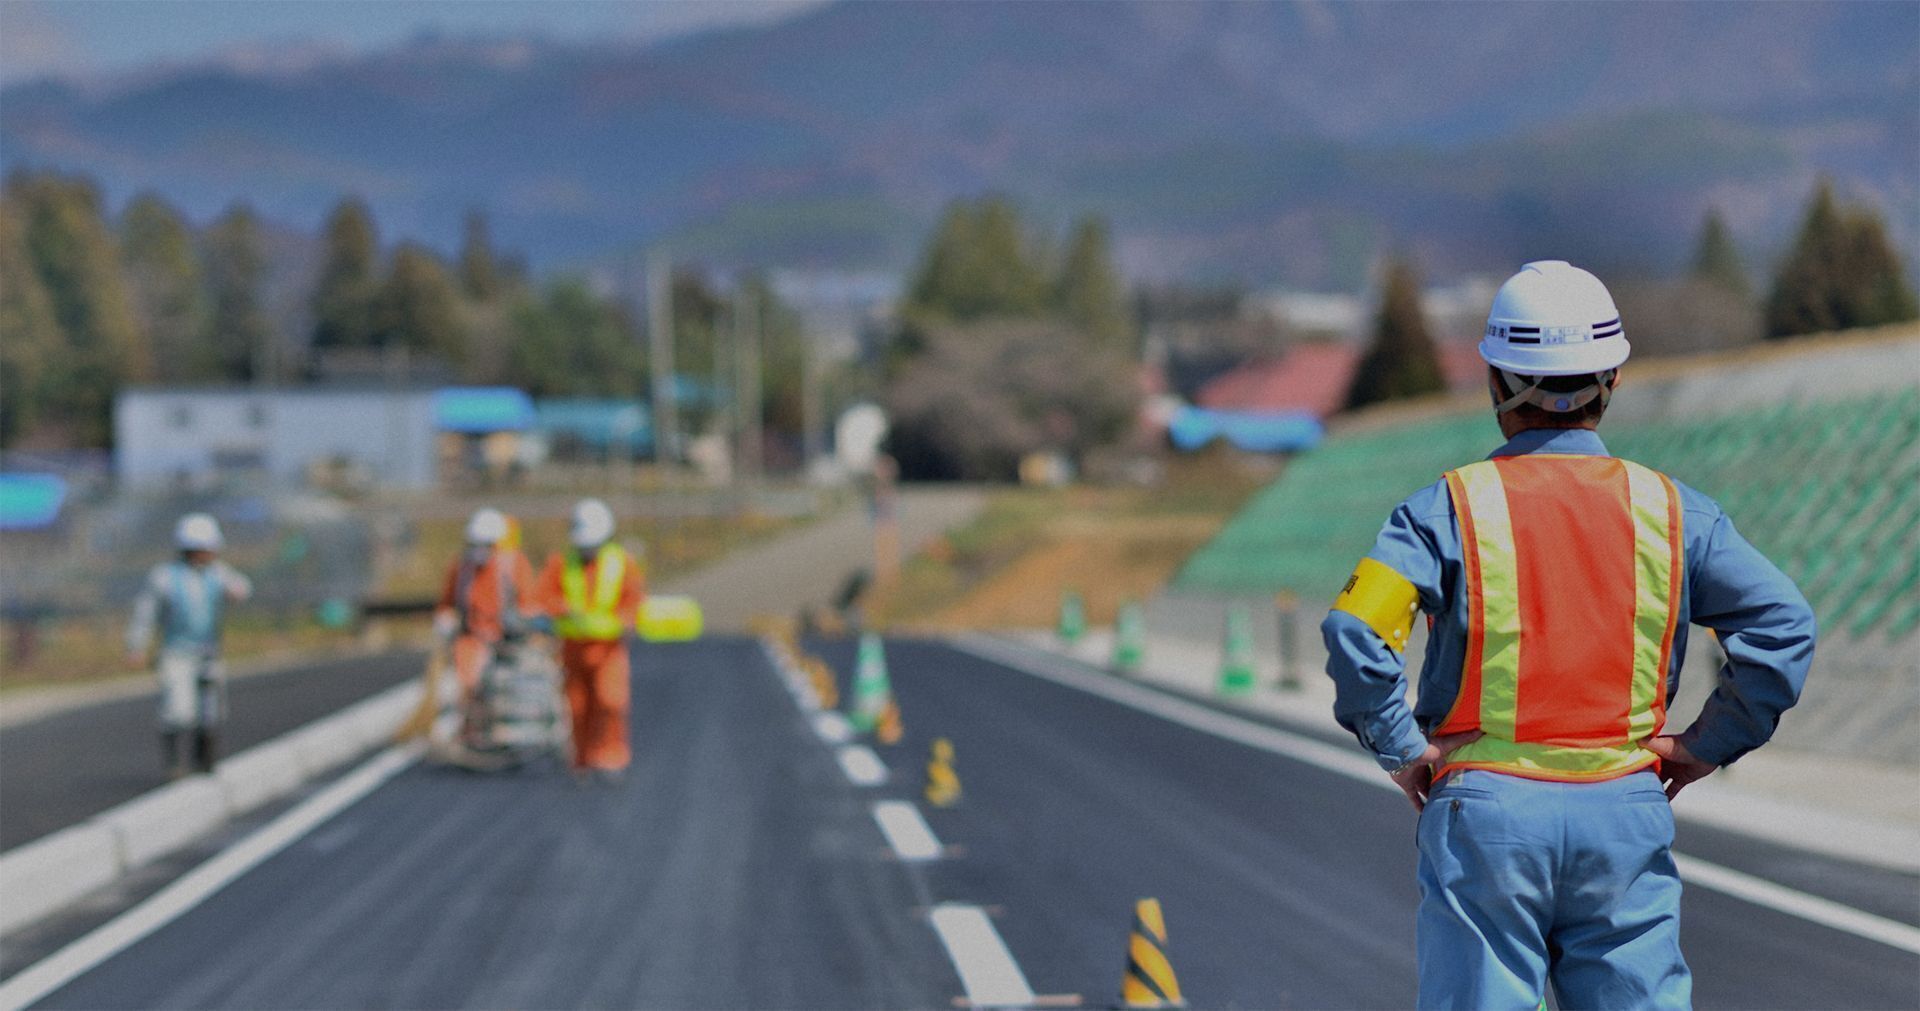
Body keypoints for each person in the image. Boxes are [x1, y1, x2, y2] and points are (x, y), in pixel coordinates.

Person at [1321, 260, 1815, 1009]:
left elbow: (1357, 629)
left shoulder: (1445, 509)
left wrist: (1404, 749)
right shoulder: (1672, 511)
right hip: (1623, 804)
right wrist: (1704, 744)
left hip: (1485, 813)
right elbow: (1784, 623)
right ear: (1609, 380)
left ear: (1496, 382)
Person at [126, 512, 254, 778]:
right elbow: (145, 614)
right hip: (176, 653)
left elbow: (241, 588)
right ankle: (173, 762)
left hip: (208, 651)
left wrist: (235, 591)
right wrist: (136, 646)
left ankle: (204, 759)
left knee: (211, 710)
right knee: (178, 710)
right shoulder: (165, 577)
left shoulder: (218, 574)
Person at [536, 498, 644, 781]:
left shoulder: (621, 563)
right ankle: (582, 760)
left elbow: (633, 599)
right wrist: (561, 607)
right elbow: (543, 596)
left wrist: (627, 619)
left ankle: (610, 757)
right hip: (573, 647)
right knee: (578, 705)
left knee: (610, 701)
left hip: (608, 648)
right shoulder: (563, 562)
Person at [434, 508, 537, 743]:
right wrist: (445, 619)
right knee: (468, 683)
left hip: (508, 639)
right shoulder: (461, 569)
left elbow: (529, 602)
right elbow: (447, 603)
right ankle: (470, 732)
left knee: (510, 687)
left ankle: (503, 730)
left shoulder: (512, 565)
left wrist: (525, 623)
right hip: (472, 638)